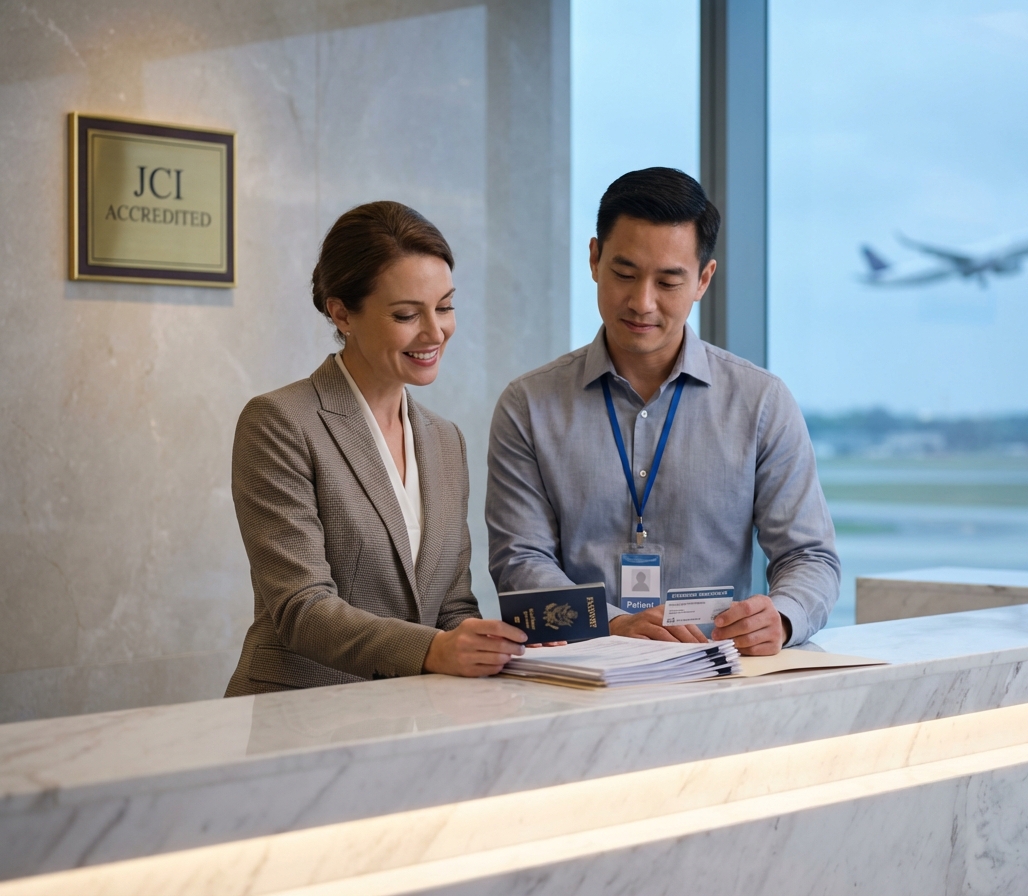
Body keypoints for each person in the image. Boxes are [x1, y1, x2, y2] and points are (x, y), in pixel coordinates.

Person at [485, 168, 839, 655]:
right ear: (594, 259)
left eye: (668, 281)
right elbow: (518, 561)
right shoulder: (529, 405)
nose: (641, 302)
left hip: (716, 675)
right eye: (624, 274)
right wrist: (611, 625)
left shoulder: (760, 402)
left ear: (703, 279)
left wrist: (780, 616)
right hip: (577, 678)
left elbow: (810, 556)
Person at [225, 201, 527, 696]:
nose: (435, 332)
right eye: (407, 314)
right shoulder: (280, 422)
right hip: (300, 718)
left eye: (445, 306)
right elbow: (302, 607)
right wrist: (432, 650)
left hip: (414, 718)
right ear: (341, 312)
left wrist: (497, 645)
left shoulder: (445, 439)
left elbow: (451, 606)